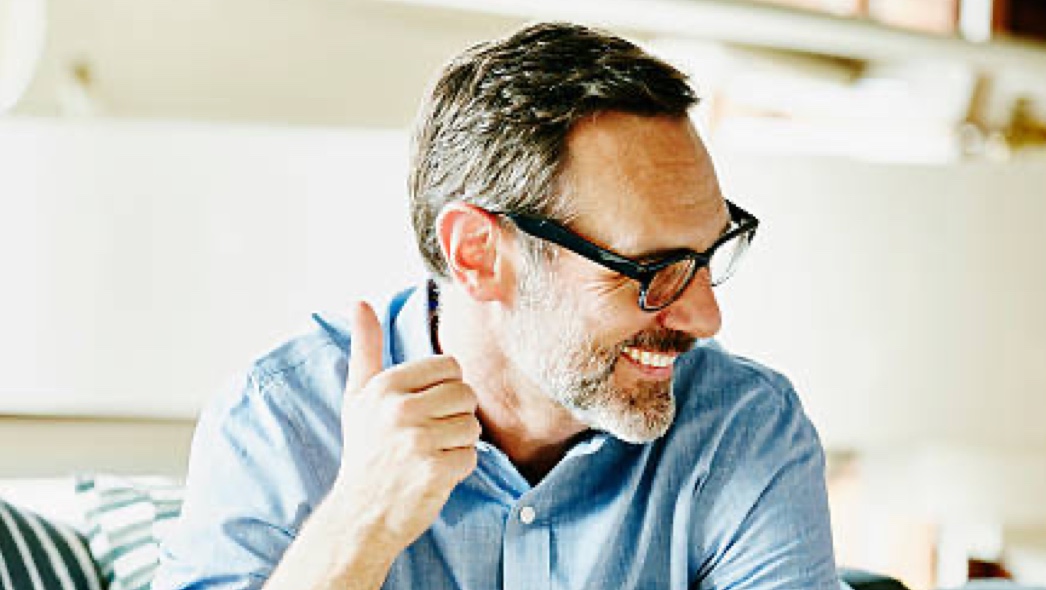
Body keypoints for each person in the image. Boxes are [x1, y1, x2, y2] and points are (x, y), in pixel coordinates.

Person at [155, 21, 844, 590]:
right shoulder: (281, 422)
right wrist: (361, 522)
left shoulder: (742, 429)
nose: (705, 318)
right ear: (480, 256)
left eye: (706, 255)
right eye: (654, 269)